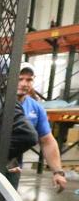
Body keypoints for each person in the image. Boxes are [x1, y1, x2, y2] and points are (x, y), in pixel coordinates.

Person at [14, 63, 68, 192]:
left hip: (14, 164)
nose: (24, 83)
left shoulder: (36, 108)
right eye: (20, 79)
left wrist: (57, 172)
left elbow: (47, 141)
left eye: (29, 79)